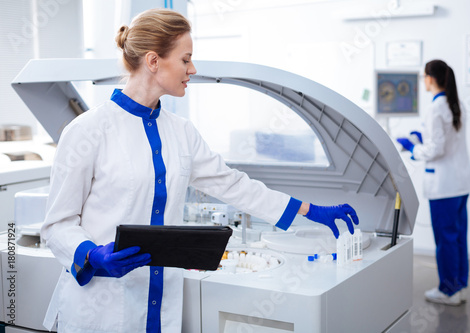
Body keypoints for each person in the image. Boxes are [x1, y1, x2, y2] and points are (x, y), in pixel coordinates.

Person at [40, 8, 359, 333]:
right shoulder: (88, 131)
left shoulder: (182, 132)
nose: (192, 69)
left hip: (159, 302)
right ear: (153, 61)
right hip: (100, 310)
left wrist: (309, 209)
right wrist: (92, 255)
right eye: (185, 59)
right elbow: (57, 225)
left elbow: (233, 185)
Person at [397, 59, 470, 306]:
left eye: (423, 77)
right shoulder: (455, 103)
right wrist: (421, 139)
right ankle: (458, 286)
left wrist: (413, 148)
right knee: (458, 236)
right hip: (460, 183)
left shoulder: (435, 108)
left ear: (430, 78)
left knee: (445, 239)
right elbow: (443, 139)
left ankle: (447, 290)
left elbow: (436, 148)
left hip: (444, 186)